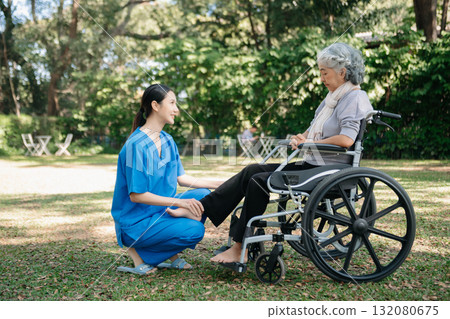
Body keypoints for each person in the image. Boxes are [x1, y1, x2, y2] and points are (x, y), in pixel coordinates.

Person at [168, 42, 373, 264]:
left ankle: (240, 248)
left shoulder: (354, 98)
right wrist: (301, 137)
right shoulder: (332, 98)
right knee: (251, 171)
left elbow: (346, 140)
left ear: (342, 72)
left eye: (325, 72)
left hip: (329, 170)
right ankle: (203, 210)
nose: (321, 78)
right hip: (314, 165)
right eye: (320, 72)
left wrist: (311, 141)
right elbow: (313, 130)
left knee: (258, 182)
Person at [111, 84, 223, 274]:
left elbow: (182, 178)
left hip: (161, 212)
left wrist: (222, 184)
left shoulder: (167, 140)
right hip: (136, 223)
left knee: (205, 196)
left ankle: (169, 254)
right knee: (195, 231)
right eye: (172, 103)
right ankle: (138, 254)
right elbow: (137, 196)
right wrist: (182, 203)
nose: (176, 110)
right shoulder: (136, 145)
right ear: (155, 105)